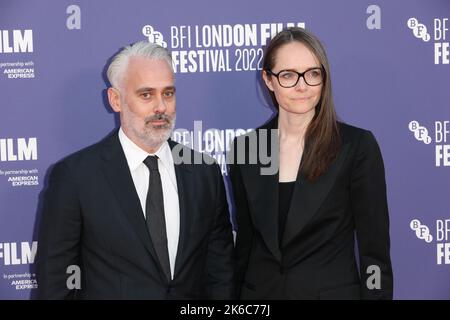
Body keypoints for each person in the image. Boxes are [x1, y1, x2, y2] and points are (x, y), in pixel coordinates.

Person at [35, 41, 235, 299]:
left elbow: (219, 272)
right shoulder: (75, 178)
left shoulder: (203, 172)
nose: (161, 107)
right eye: (146, 95)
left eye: (168, 93)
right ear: (115, 100)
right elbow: (56, 282)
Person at [228, 27, 393, 299]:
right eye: (288, 75)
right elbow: (245, 246)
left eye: (313, 74)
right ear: (268, 80)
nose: (302, 86)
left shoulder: (356, 147)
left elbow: (374, 254)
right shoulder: (246, 150)